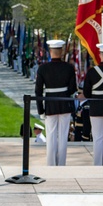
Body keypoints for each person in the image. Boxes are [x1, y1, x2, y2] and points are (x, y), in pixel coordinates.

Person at [33, 38, 77, 166]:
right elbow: (73, 88)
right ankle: (61, 164)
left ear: (50, 52)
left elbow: (38, 91)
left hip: (50, 103)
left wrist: (40, 110)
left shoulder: (43, 68)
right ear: (61, 51)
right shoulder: (69, 68)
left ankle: (51, 164)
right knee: (63, 136)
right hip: (64, 103)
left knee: (51, 136)